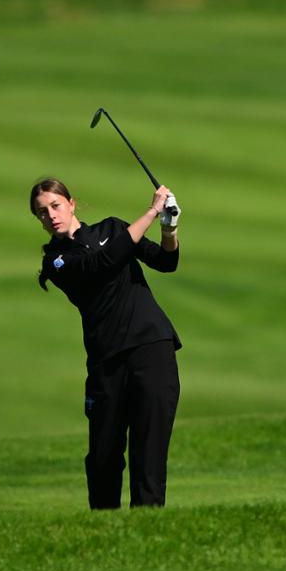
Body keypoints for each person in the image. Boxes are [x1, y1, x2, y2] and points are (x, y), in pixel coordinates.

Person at [30, 177, 182, 509]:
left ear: (71, 204)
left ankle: (147, 527)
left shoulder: (112, 228)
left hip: (151, 348)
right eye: (42, 212)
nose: (51, 215)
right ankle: (103, 529)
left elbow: (166, 262)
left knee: (149, 449)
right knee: (103, 455)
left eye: (56, 206)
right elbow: (102, 263)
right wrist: (152, 211)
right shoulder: (56, 261)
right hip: (106, 361)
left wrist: (169, 229)